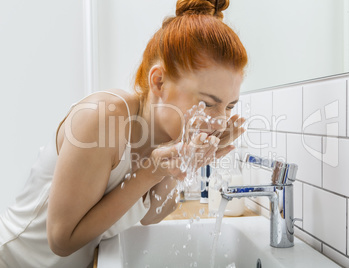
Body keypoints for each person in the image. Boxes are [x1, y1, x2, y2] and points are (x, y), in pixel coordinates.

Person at [0, 0, 248, 266]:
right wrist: (151, 171)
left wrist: (188, 163)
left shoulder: (167, 134)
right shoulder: (102, 117)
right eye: (208, 103)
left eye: (229, 106)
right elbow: (61, 240)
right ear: (159, 82)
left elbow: (150, 216)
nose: (221, 122)